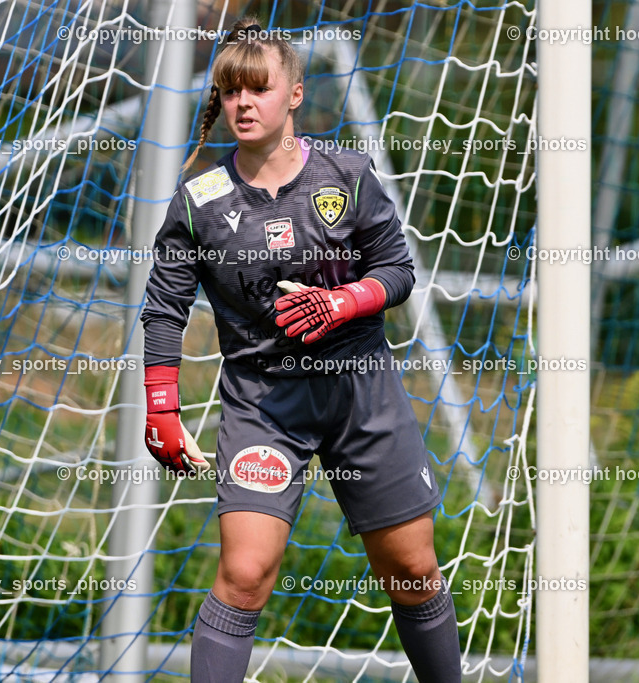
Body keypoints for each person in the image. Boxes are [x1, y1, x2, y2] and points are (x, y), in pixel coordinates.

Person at [140, 17, 462, 683]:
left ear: (294, 94)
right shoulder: (199, 202)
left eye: (259, 89)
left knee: (412, 570)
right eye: (231, 92)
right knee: (245, 572)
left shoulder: (347, 175)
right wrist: (163, 408)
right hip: (266, 404)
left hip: (360, 391)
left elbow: (398, 271)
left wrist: (345, 301)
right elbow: (165, 308)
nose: (244, 104)